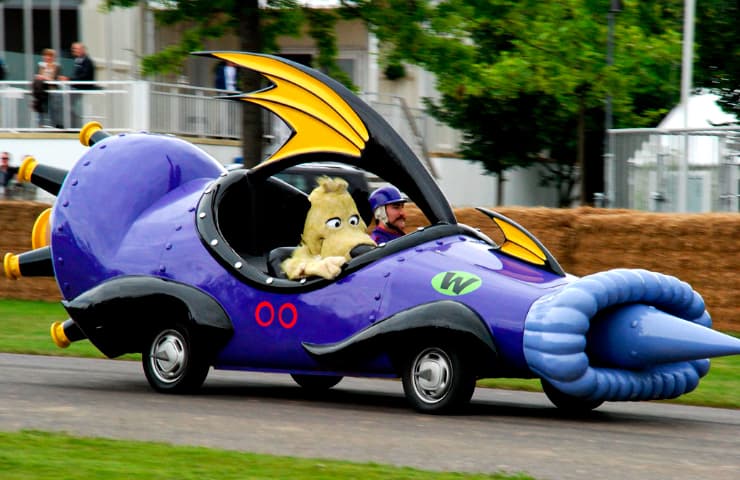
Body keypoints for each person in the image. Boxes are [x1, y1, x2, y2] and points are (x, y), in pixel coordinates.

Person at [67, 42, 96, 128]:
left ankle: (75, 124)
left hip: (82, 88)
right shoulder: (78, 60)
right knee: (66, 104)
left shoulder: (87, 61)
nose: (74, 50)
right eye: (73, 49)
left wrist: (70, 80)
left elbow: (84, 77)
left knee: (67, 104)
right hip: (76, 87)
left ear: (82, 50)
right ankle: (72, 123)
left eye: (76, 49)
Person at [33, 48, 62, 127]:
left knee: (53, 108)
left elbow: (55, 79)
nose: (48, 58)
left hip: (52, 90)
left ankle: (54, 125)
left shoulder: (56, 66)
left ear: (53, 57)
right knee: (40, 105)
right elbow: (37, 76)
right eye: (46, 56)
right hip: (41, 90)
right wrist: (41, 77)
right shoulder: (40, 65)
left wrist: (44, 78)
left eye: (50, 56)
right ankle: (40, 124)